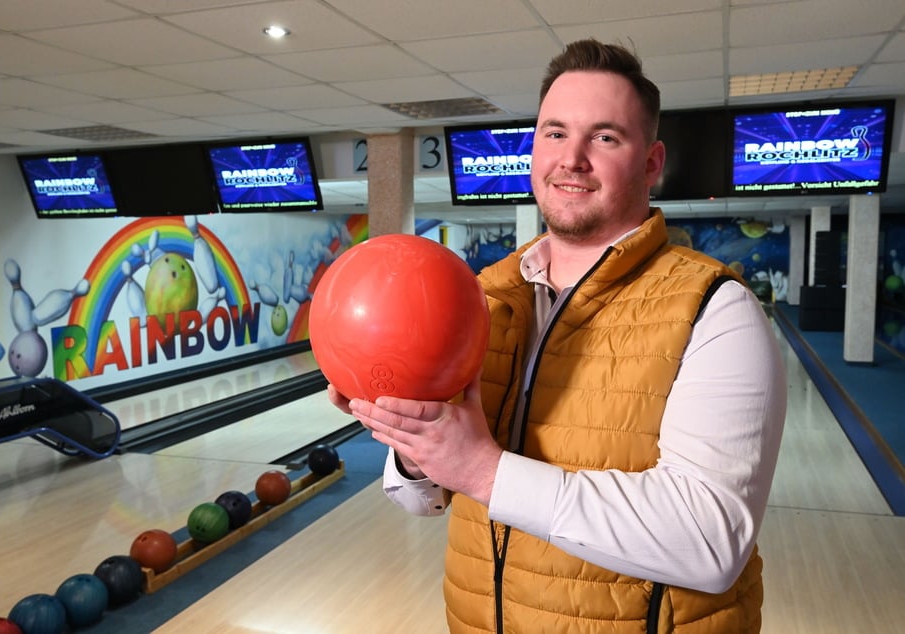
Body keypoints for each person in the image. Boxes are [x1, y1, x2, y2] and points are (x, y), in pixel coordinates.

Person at [328, 38, 786, 633]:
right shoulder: (483, 300)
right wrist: (413, 446)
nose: (572, 158)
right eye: (554, 132)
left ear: (651, 163)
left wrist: (483, 471)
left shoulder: (715, 309)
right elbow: (423, 500)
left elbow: (710, 542)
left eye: (604, 136)